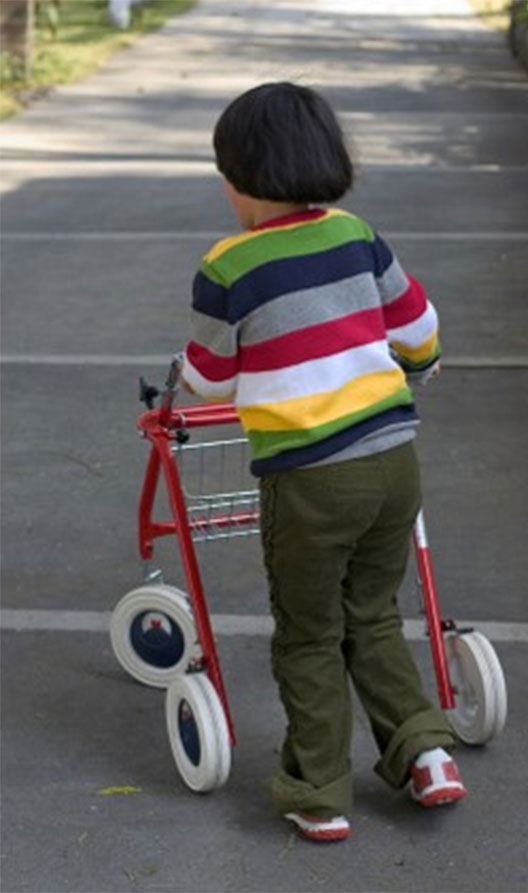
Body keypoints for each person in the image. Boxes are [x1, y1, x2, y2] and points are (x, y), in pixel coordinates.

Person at [180, 81, 467, 843]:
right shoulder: (357, 233)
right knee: (372, 613)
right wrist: (419, 366)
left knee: (307, 633)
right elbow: (421, 329)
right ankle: (427, 751)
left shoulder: (229, 264)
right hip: (393, 462)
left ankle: (319, 791)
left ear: (240, 180)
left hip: (309, 479)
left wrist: (187, 375)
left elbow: (208, 377)